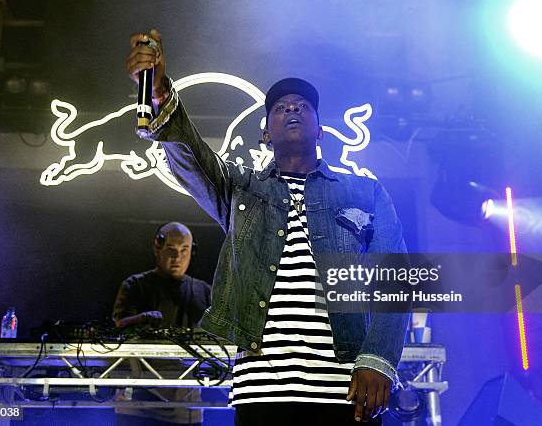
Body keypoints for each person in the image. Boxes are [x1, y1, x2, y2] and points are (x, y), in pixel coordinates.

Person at [126, 30, 410, 425]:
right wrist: (159, 95)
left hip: (345, 390)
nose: (291, 110)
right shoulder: (241, 188)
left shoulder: (364, 191)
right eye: (279, 108)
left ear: (319, 130)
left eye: (302, 107)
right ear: (265, 133)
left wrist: (379, 359)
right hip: (262, 391)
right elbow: (192, 157)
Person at [112, 222, 211, 426]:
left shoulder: (204, 291)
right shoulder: (135, 285)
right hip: (137, 409)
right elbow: (117, 328)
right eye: (171, 250)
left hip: (186, 411)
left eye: (185, 250)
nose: (178, 258)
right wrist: (142, 318)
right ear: (157, 247)